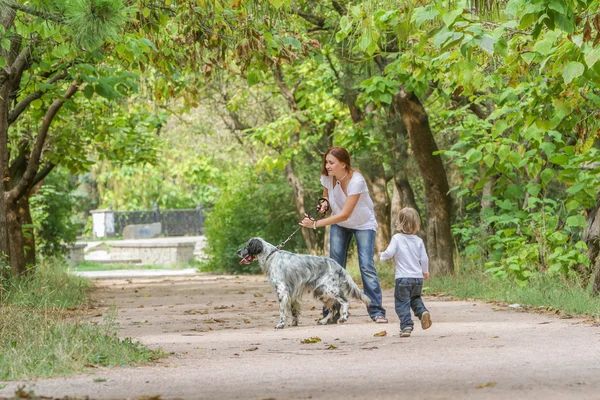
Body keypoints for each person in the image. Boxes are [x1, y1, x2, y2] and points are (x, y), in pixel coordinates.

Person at [299, 146, 387, 323]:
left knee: (366, 266)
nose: (328, 165)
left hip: (363, 224)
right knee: (334, 268)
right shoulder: (327, 177)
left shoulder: (357, 181)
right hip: (339, 224)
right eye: (326, 162)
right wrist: (324, 204)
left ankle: (377, 311)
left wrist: (315, 223)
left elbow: (345, 214)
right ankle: (332, 312)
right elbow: (326, 196)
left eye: (331, 162)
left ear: (344, 164)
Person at [380, 207, 432, 337]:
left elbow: (390, 253)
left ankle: (406, 325)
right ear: (417, 224)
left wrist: (381, 256)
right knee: (415, 299)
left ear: (400, 223)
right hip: (417, 278)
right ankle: (422, 312)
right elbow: (424, 258)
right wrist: (425, 272)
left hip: (403, 278)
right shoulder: (419, 240)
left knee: (401, 302)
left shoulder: (397, 238)